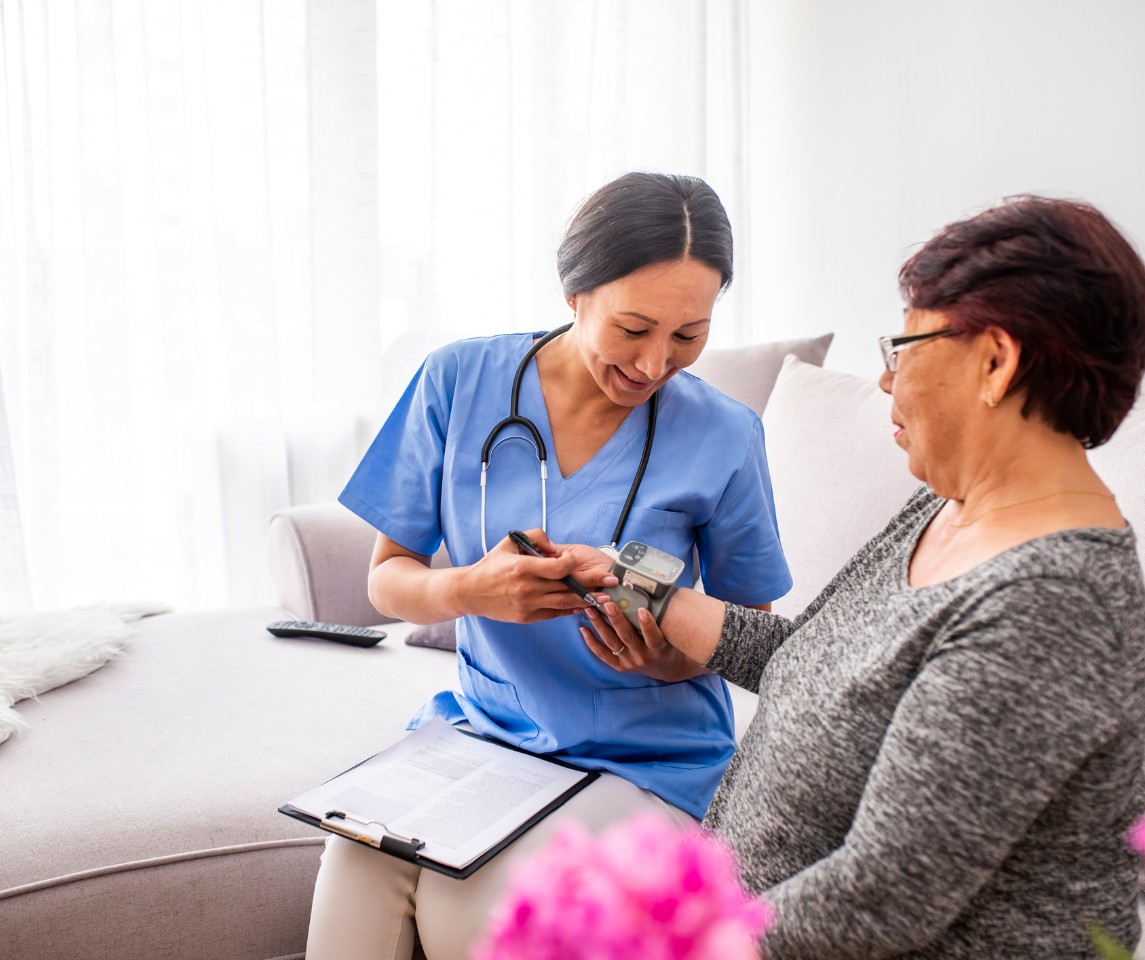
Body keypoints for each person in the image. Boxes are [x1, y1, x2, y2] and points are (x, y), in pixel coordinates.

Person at [579, 195, 1145, 958]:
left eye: (904, 346)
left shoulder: (1055, 603)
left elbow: (886, 896)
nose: (886, 382)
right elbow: (812, 657)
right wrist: (629, 577)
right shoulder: (946, 508)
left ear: (996, 361)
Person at [305, 171, 793, 959]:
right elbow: (387, 577)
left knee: (471, 914)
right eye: (633, 328)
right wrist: (472, 591)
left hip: (647, 759)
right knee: (355, 869)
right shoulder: (458, 381)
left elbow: (755, 636)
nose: (655, 362)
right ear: (575, 293)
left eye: (688, 334)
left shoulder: (724, 434)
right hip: (485, 731)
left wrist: (666, 655)